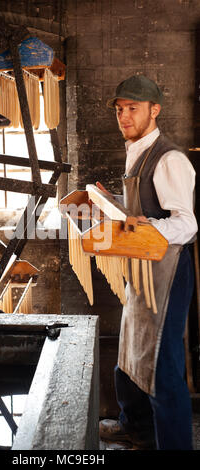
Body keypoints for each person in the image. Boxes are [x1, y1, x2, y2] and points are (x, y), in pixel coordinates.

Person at [99, 75, 198, 450]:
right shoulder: (137, 148)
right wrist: (115, 206)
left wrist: (143, 223)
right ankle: (135, 427)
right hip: (142, 266)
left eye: (133, 109)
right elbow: (144, 212)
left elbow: (187, 224)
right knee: (130, 352)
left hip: (167, 271)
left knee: (161, 365)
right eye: (120, 110)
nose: (124, 117)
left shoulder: (170, 159)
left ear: (154, 110)